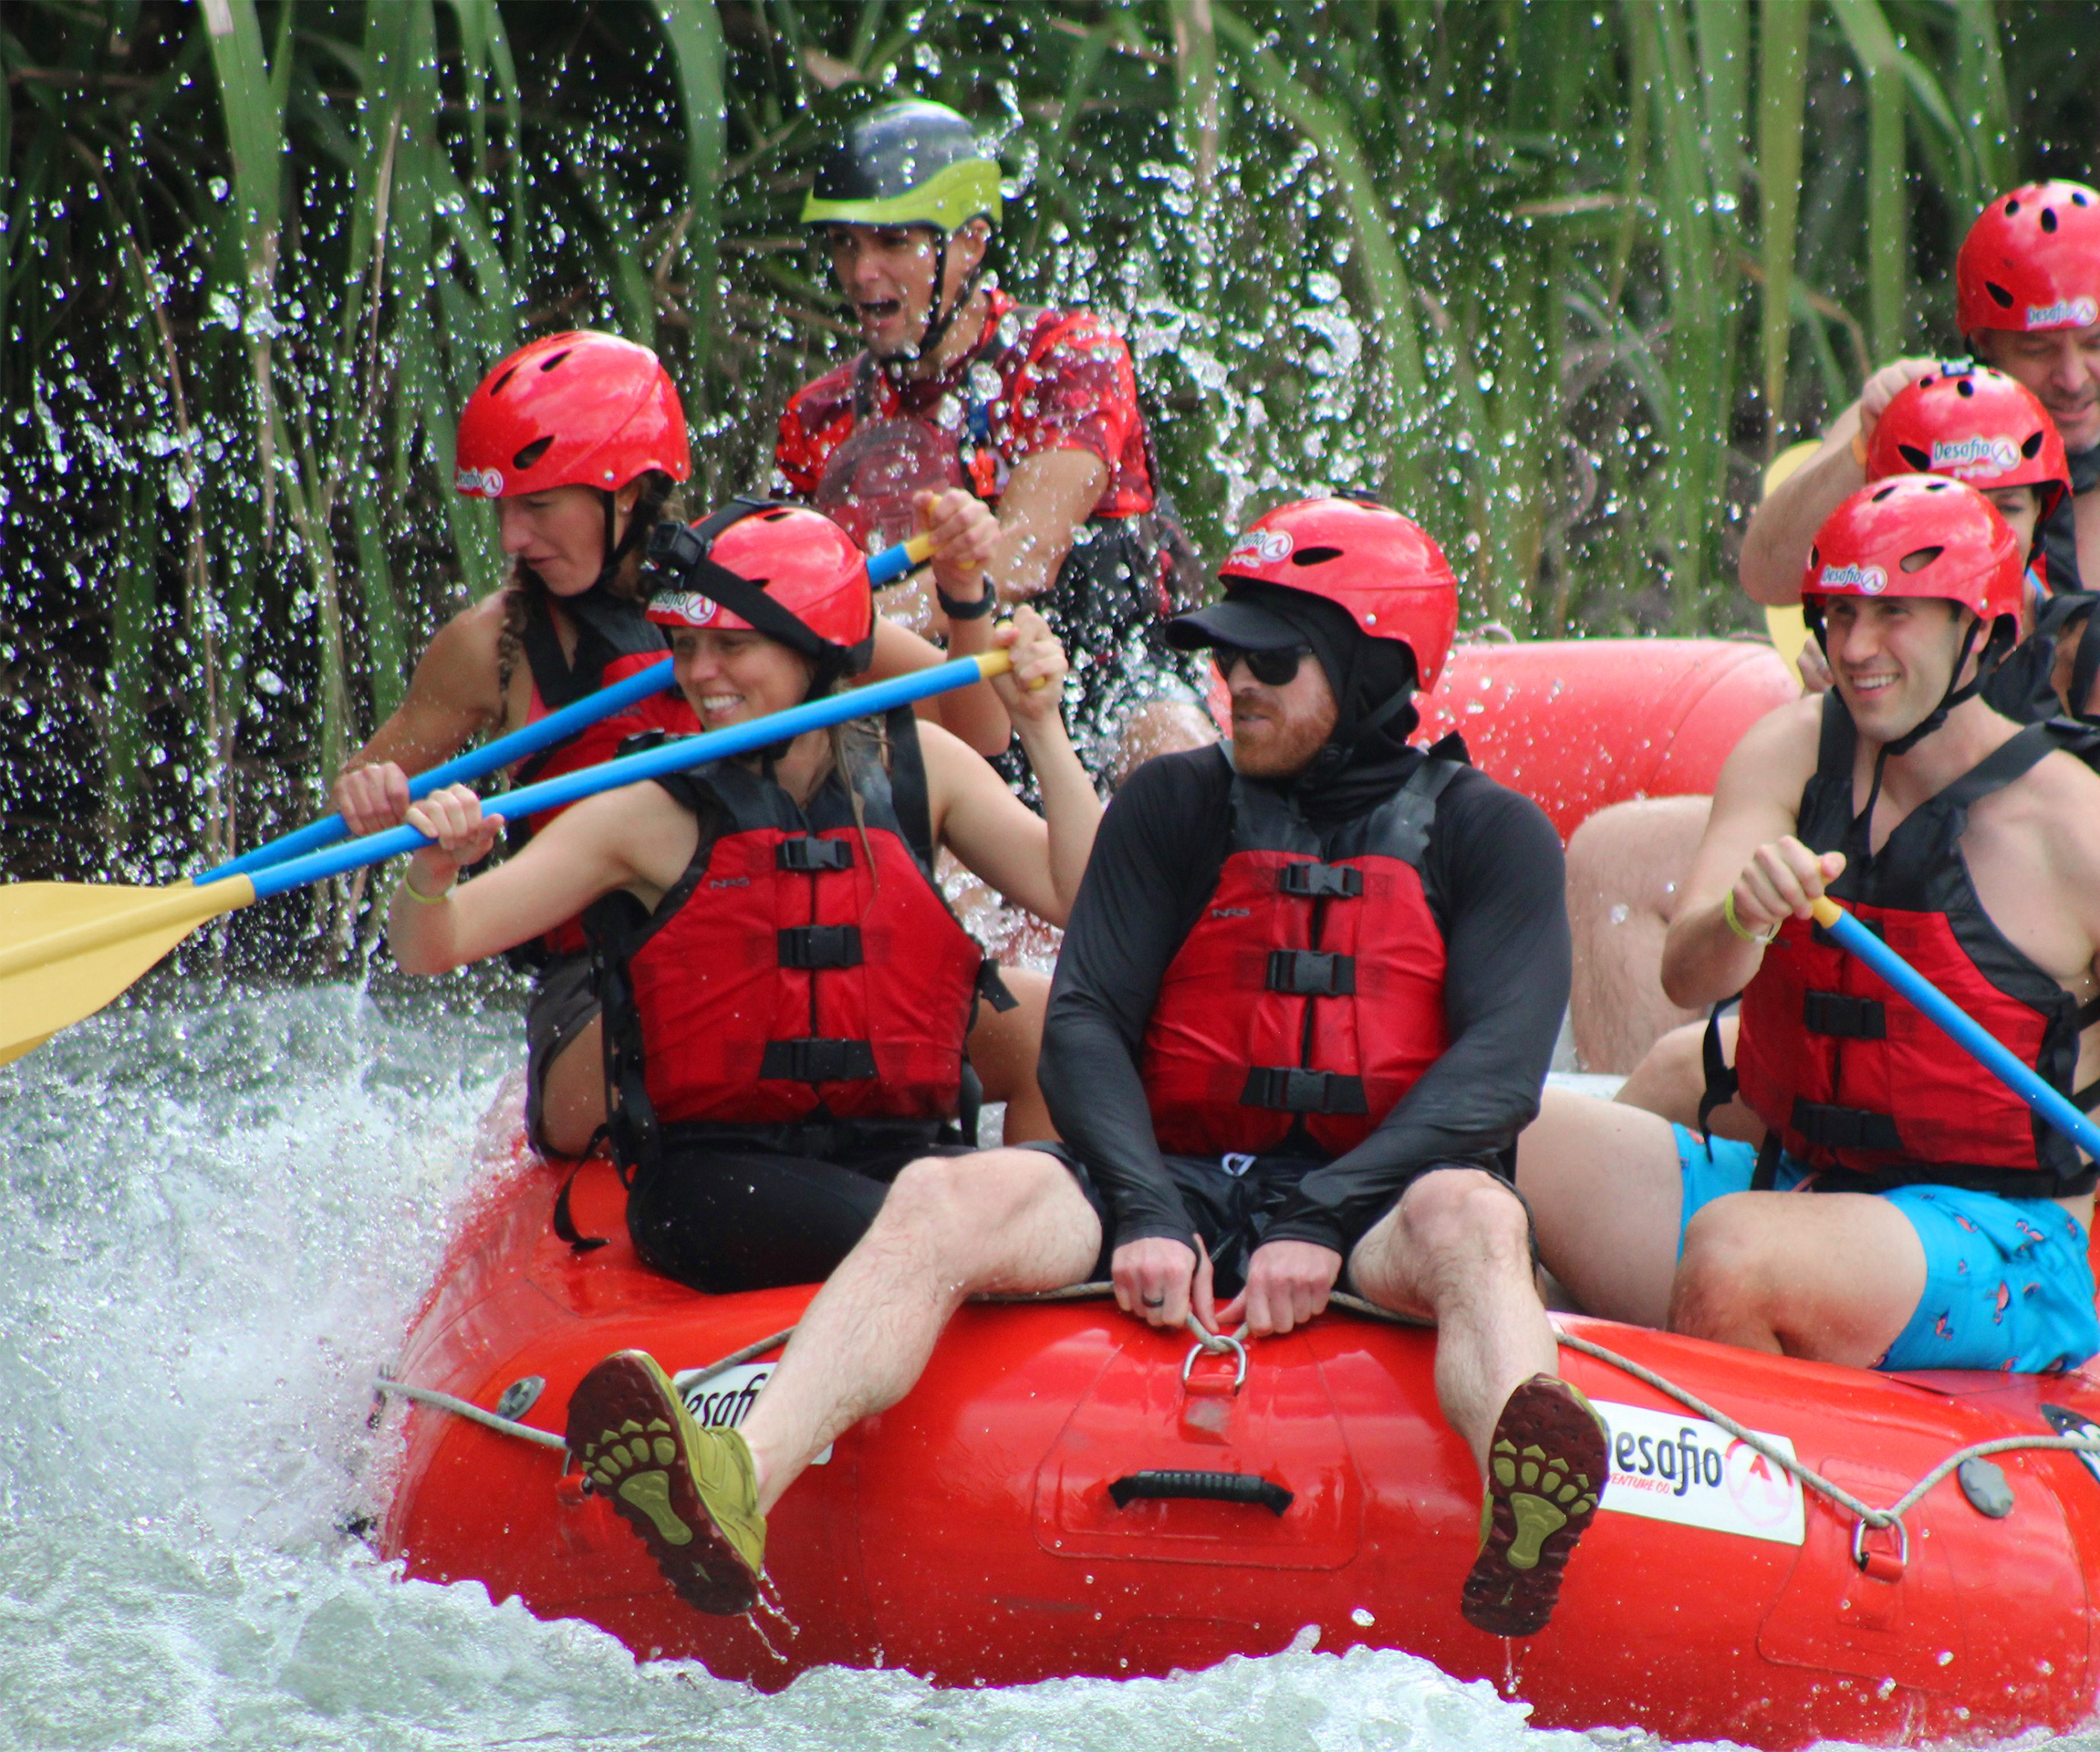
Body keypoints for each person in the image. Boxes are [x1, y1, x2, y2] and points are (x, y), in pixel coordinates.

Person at [556, 498, 1604, 1640]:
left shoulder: (1490, 832)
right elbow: (1090, 1019)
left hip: (1376, 1204)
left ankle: (1527, 1494)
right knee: (940, 1191)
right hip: (1179, 1187)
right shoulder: (1178, 804)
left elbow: (1500, 1075)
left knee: (1478, 1221)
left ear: (1371, 669)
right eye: (1221, 656)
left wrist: (1321, 1214)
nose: (1231, 684)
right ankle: (735, 1482)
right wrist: (1148, 1205)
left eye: (1269, 660)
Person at [1519, 476, 2100, 1362]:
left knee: (1732, 1251)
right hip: (1805, 1181)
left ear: (1981, 632)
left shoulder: (2083, 836)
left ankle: (1730, 1455)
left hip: (2002, 1242)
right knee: (1511, 1131)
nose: (1858, 648)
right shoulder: (1789, 754)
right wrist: (1743, 916)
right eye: (1842, 615)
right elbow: (1689, 976)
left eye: (1897, 615)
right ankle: (1549, 1385)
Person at [1613, 367, 2100, 1205]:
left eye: (2003, 509)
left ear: (2043, 516)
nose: (1970, 532)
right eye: (1936, 503)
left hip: (2056, 1076)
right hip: (1872, 1058)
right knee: (1666, 1074)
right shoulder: (1850, 671)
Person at [385, 503, 1096, 1297]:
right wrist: (434, 873)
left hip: (906, 1157)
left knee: (1066, 1202)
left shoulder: (921, 766)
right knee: (964, 1227)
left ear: (816, 650)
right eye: (687, 647)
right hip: (721, 1183)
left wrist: (1042, 727)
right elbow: (431, 946)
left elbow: (1084, 898)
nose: (698, 675)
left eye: (732, 647)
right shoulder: (647, 809)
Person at [334, 330, 1008, 1158]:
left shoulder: (757, 592)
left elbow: (976, 729)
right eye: (501, 508)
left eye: (537, 505)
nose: (510, 537)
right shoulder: (489, 644)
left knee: (1050, 1032)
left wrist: (966, 597)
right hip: (610, 988)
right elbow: (370, 784)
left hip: (814, 955)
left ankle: (1031, 1219)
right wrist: (368, 796)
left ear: (628, 494)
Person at [1733, 180, 2100, 1042]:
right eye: (2036, 350)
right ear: (1979, 346)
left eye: (2095, 343)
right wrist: (1861, 451)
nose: (2071, 379)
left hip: (2086, 904)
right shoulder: (1914, 432)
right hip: (1901, 857)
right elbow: (1768, 574)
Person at [778, 99, 1214, 776]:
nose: (862, 273)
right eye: (844, 243)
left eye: (894, 243)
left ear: (973, 244)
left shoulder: (1066, 356)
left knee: (1175, 754)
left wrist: (831, 620)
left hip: (1106, 681)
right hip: (941, 699)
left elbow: (1027, 555)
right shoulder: (821, 414)